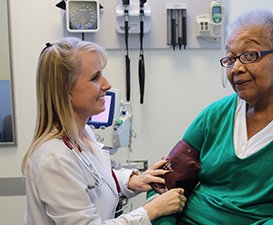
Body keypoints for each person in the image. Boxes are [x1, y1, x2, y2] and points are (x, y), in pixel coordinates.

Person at [150, 9, 273, 225]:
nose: (237, 68)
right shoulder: (216, 114)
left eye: (250, 55)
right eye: (230, 59)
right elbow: (163, 183)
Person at [21, 37, 186, 225]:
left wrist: (132, 181)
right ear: (66, 91)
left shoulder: (83, 135)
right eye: (95, 78)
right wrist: (151, 210)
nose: (107, 84)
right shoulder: (55, 159)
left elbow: (96, 181)